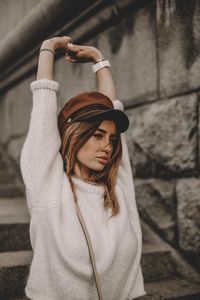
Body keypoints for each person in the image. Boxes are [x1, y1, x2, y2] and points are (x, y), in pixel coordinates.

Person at [20, 36, 147, 300]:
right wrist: (47, 49)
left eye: (111, 139)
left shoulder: (117, 189)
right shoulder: (50, 188)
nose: (108, 147)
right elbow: (43, 115)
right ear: (76, 136)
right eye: (97, 135)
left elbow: (112, 108)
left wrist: (100, 60)